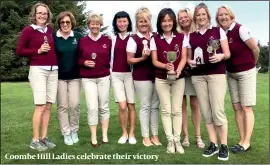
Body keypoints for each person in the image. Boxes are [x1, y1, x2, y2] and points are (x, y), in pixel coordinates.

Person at [186, 3, 231, 161]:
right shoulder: (191, 36)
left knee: (218, 110)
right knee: (206, 111)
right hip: (198, 76)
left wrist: (220, 56)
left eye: (203, 14)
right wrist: (189, 61)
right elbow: (189, 56)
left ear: (208, 16)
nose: (201, 17)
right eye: (198, 15)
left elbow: (227, 53)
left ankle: (224, 145)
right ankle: (213, 144)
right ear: (195, 18)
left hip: (216, 74)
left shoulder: (217, 31)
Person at [216, 5, 260, 153]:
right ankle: (242, 140)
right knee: (236, 107)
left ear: (231, 16)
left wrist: (252, 65)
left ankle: (246, 142)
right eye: (220, 15)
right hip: (231, 73)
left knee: (247, 107)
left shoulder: (240, 29)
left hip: (246, 72)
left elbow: (255, 49)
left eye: (225, 14)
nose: (223, 17)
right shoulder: (220, 33)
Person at [16, 2, 57, 151]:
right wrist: (37, 51)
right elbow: (19, 50)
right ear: (34, 14)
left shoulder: (50, 30)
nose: (42, 16)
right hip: (38, 70)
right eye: (39, 13)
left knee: (48, 106)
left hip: (53, 71)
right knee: (40, 106)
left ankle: (43, 138)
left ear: (48, 15)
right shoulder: (28, 30)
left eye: (45, 13)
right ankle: (35, 140)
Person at [150, 8, 187, 154]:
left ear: (173, 21)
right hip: (161, 78)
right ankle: (170, 141)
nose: (167, 23)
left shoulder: (181, 37)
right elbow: (154, 60)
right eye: (164, 20)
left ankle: (177, 140)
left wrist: (178, 70)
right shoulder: (155, 38)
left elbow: (183, 57)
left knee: (177, 110)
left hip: (178, 78)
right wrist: (165, 66)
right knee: (166, 110)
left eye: (169, 20)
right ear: (160, 22)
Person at [126, 7, 161, 146]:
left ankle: (155, 135)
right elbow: (130, 60)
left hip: (157, 75)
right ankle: (146, 137)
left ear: (150, 21)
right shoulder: (133, 39)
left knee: (155, 106)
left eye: (146, 21)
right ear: (137, 22)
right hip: (141, 77)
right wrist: (142, 58)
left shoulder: (156, 36)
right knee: (146, 106)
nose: (143, 24)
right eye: (140, 21)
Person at [78, 13, 111, 148]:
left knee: (104, 106)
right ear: (89, 25)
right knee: (92, 107)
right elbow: (77, 59)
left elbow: (112, 58)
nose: (95, 26)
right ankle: (93, 136)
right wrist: (84, 62)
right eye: (92, 23)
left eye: (97, 24)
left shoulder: (107, 40)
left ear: (101, 25)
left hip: (104, 77)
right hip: (88, 79)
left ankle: (104, 134)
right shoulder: (82, 41)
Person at [53, 11, 83, 146]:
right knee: (62, 106)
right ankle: (66, 132)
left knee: (75, 105)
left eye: (67, 22)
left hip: (75, 77)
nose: (65, 24)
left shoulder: (78, 37)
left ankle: (74, 130)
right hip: (59, 77)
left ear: (72, 23)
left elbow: (87, 50)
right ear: (59, 23)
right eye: (62, 22)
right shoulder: (54, 37)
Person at [177, 8, 205, 149]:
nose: (183, 19)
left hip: (196, 73)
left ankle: (198, 137)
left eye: (185, 17)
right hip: (181, 73)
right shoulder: (177, 35)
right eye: (181, 18)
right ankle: (186, 136)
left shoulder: (197, 33)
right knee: (182, 106)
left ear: (190, 17)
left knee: (195, 105)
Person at [110, 11, 137, 144]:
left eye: (124, 21)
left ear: (128, 22)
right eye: (119, 21)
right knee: (122, 105)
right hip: (116, 75)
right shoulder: (112, 38)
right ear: (116, 23)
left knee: (131, 105)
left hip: (130, 75)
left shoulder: (133, 37)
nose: (122, 24)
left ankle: (131, 134)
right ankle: (124, 133)